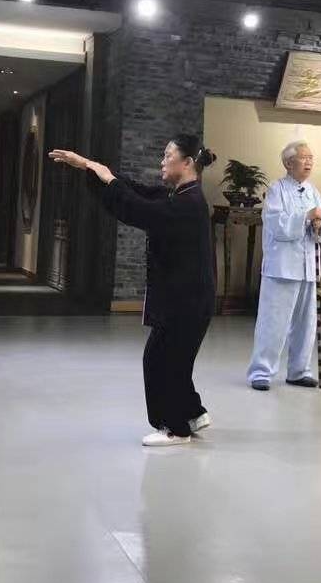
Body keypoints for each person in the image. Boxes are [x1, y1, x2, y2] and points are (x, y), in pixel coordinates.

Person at [50, 135, 217, 448]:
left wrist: (108, 179)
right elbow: (139, 191)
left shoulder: (188, 204)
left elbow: (138, 209)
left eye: (167, 155)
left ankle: (176, 429)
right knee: (175, 360)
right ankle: (193, 413)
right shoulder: (179, 195)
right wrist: (90, 167)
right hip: (187, 299)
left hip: (188, 301)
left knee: (160, 361)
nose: (162, 162)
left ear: (187, 163)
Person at [247, 141, 321, 390]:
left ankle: (298, 371)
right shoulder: (276, 189)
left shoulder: (314, 192)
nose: (309, 162)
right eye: (304, 157)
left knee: (306, 324)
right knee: (273, 323)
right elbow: (277, 225)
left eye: (311, 157)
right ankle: (261, 372)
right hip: (282, 268)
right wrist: (306, 217)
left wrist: (319, 226)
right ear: (288, 163)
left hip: (307, 268)